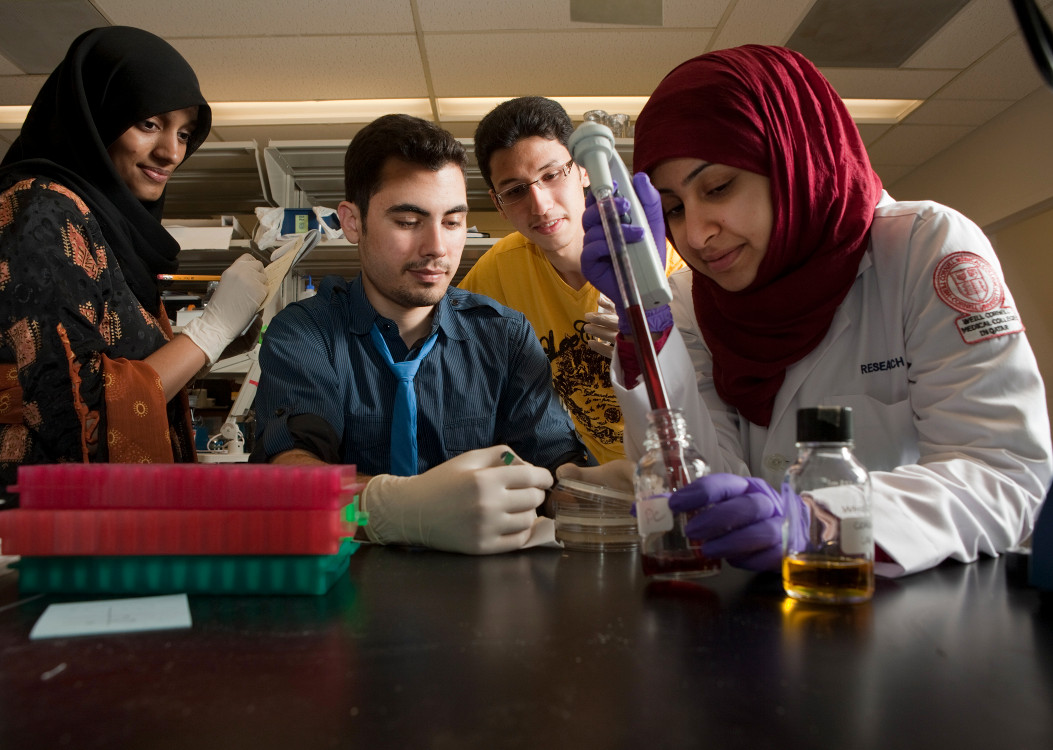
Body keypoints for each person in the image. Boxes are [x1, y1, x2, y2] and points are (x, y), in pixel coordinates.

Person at [573, 44, 1052, 577]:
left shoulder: (923, 248)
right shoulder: (689, 299)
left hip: (914, 616)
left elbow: (1002, 473)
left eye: (719, 187)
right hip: (761, 620)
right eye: (675, 209)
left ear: (793, 160)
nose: (697, 234)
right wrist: (645, 321)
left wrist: (822, 521)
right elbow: (695, 488)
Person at [0, 27, 267, 508]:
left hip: (106, 518)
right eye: (149, 124)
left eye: (185, 133)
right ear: (96, 116)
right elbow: (76, 409)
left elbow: (124, 367)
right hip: (63, 521)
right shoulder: (40, 213)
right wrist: (208, 333)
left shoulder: (95, 222)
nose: (172, 152)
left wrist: (221, 338)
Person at [251, 114, 586, 555]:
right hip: (347, 595)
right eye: (409, 221)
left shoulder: (502, 336)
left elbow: (553, 461)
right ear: (352, 222)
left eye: (452, 222)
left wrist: (593, 492)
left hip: (479, 600)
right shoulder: (307, 333)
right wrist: (392, 508)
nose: (436, 248)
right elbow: (289, 474)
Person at [460, 96, 684, 464]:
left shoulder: (654, 258)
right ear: (497, 204)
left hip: (671, 460)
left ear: (583, 170)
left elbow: (711, 383)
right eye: (515, 191)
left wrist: (653, 345)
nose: (540, 204)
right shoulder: (497, 271)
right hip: (584, 478)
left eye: (551, 175)